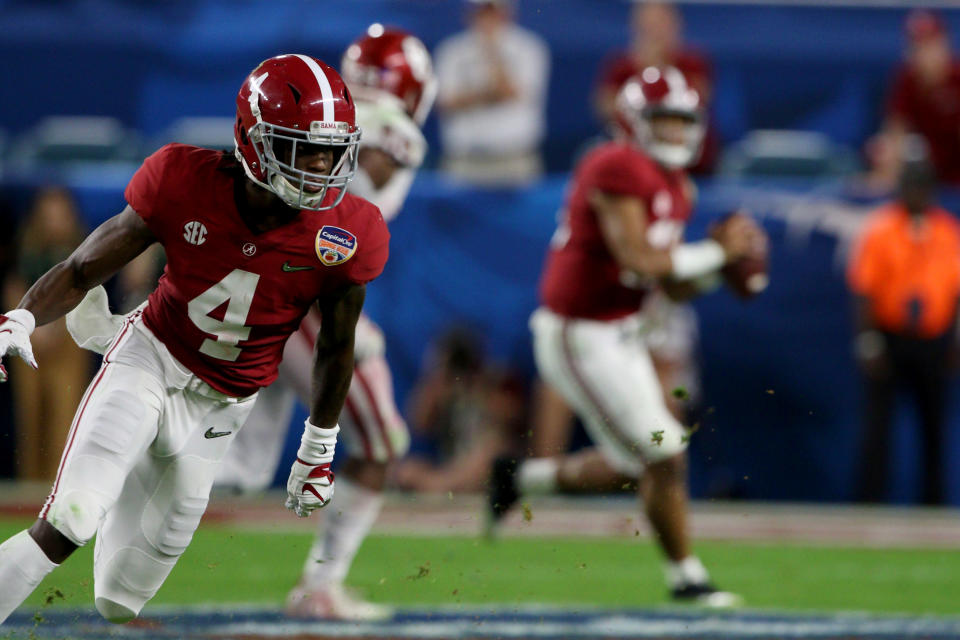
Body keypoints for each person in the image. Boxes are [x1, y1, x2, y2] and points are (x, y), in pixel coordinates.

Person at [0, 53, 389, 625]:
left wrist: (318, 448)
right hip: (150, 359)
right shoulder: (185, 179)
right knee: (69, 522)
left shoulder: (347, 231)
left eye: (331, 150)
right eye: (304, 147)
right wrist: (24, 316)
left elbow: (336, 344)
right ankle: (109, 459)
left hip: (221, 408)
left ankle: (123, 467)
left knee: (118, 600)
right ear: (254, 142)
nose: (321, 165)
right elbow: (85, 266)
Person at [487, 67, 766, 606]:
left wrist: (717, 272)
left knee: (632, 464)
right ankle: (687, 577)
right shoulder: (615, 164)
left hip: (623, 332)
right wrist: (718, 254)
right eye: (663, 119)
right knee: (665, 455)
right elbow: (636, 257)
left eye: (683, 121)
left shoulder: (676, 186)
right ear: (633, 122)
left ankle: (522, 480)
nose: (674, 132)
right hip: (578, 331)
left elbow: (667, 283)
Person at [213, 26, 435, 620]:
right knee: (381, 440)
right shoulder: (358, 135)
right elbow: (370, 177)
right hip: (295, 301)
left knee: (240, 470)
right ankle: (320, 585)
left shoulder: (355, 124)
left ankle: (117, 481)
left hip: (282, 295)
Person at [847, 153, 960, 505]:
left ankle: (933, 503)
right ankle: (869, 502)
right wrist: (868, 341)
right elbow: (864, 288)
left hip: (933, 339)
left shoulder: (946, 229)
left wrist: (956, 338)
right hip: (889, 336)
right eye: (911, 186)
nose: (917, 194)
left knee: (934, 428)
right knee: (878, 426)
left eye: (922, 187)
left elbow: (956, 291)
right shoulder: (881, 228)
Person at [3, 187, 91, 481]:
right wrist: (28, 327)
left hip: (67, 341)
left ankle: (58, 486)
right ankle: (29, 487)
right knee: (29, 419)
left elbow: (88, 293)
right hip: (28, 341)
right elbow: (12, 285)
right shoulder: (23, 250)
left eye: (60, 215)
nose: (54, 222)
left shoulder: (85, 251)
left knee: (63, 417)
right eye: (48, 215)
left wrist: (57, 326)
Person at [394, 327, 526, 493]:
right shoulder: (440, 386)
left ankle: (439, 486)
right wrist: (437, 383)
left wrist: (479, 389)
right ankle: (441, 484)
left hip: (485, 463)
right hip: (453, 466)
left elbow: (513, 419)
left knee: (494, 450)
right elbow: (419, 424)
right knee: (407, 469)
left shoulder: (496, 379)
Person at [434, 0, 550, 186]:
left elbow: (511, 92)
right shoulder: (451, 50)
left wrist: (491, 51)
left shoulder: (530, 48)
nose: (487, 20)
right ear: (469, 15)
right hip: (463, 162)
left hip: (514, 161)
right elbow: (445, 103)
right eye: (481, 12)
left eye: (493, 13)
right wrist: (489, 94)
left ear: (508, 14)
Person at [594, 1, 717, 174]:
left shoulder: (693, 62)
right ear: (636, 26)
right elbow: (604, 106)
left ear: (675, 24)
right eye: (649, 25)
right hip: (634, 159)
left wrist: (659, 66)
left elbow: (698, 100)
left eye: (660, 23)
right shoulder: (621, 66)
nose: (655, 31)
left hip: (692, 163)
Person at [885, 10, 960, 184]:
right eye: (918, 45)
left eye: (930, 43)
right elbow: (896, 130)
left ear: (943, 43)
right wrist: (888, 177)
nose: (924, 52)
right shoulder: (908, 79)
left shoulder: (956, 78)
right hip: (931, 173)